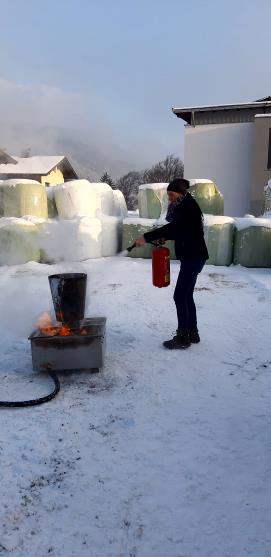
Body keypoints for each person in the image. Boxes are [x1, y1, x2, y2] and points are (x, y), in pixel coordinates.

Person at [135, 178, 209, 349]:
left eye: (172, 195)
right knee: (186, 295)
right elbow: (183, 231)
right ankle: (192, 332)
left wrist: (146, 237)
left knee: (180, 296)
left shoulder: (188, 208)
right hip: (194, 256)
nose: (170, 199)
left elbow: (174, 228)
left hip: (193, 257)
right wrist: (166, 237)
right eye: (168, 195)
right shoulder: (186, 205)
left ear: (181, 193)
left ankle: (183, 337)